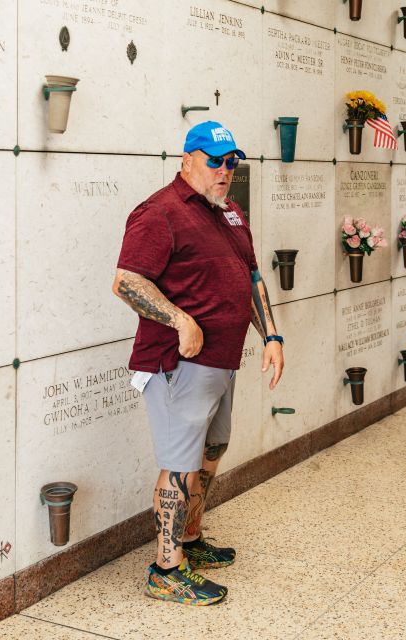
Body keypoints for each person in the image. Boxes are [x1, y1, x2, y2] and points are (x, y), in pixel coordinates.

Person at [111, 121, 285, 606]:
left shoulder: (229, 212)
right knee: (180, 465)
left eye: (231, 162)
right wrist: (180, 320)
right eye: (214, 161)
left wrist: (270, 334)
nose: (224, 170)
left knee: (212, 452)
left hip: (222, 362)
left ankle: (189, 539)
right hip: (176, 364)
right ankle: (166, 569)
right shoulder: (159, 212)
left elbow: (251, 278)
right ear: (186, 159)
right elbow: (126, 282)